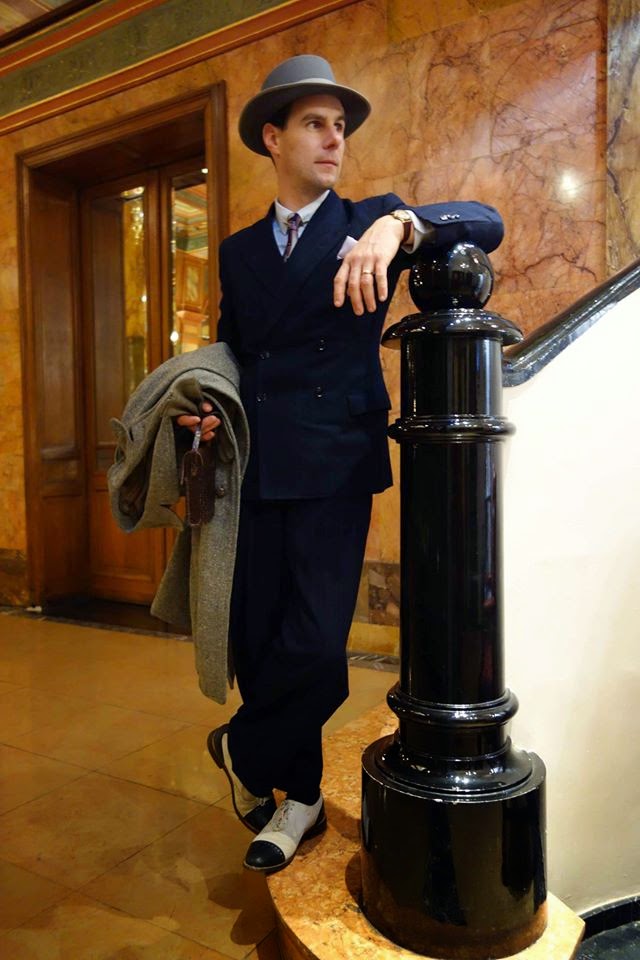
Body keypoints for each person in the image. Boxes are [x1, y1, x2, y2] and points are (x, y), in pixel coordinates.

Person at [176, 54, 504, 873]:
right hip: (254, 466)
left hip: (334, 464)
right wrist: (206, 408)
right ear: (273, 137)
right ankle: (300, 800)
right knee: (258, 640)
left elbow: (485, 221)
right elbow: (235, 351)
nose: (334, 140)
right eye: (315, 124)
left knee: (318, 646)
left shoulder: (371, 220)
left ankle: (243, 747)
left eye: (340, 127)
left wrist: (401, 228)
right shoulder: (238, 250)